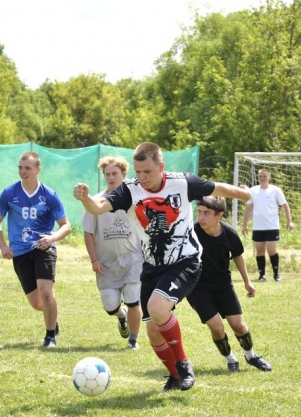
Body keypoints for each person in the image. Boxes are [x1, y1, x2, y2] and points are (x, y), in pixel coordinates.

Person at [74, 142, 251, 392]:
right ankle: (175, 376)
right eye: (138, 171)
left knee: (158, 309)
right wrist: (85, 199)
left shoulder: (182, 183)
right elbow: (99, 207)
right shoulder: (129, 190)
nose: (142, 178)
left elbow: (218, 187)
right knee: (153, 333)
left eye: (147, 171)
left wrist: (246, 194)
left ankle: (184, 364)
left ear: (161, 166)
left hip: (185, 260)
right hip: (152, 265)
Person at [0, 152, 72, 348]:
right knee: (36, 303)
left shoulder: (49, 195)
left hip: (44, 247)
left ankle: (50, 336)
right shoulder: (9, 193)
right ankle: (52, 318)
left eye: (27, 168)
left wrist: (52, 238)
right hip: (20, 251)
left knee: (45, 291)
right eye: (20, 167)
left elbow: (66, 225)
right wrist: (3, 246)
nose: (23, 171)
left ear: (38, 169)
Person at [187, 196, 273, 373]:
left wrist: (247, 281)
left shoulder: (229, 234)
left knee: (239, 326)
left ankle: (251, 356)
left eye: (207, 213)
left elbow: (238, 256)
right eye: (200, 212)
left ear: (219, 215)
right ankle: (230, 358)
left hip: (223, 285)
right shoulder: (191, 232)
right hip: (197, 287)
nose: (201, 218)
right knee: (217, 328)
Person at [82, 156, 144, 349]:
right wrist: (94, 259)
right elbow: (88, 232)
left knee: (133, 300)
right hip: (107, 262)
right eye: (107, 174)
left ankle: (133, 340)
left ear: (124, 174)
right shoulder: (96, 202)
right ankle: (120, 315)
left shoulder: (136, 198)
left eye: (115, 173)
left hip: (133, 259)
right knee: (110, 306)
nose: (111, 177)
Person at [241, 168, 294, 282]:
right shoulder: (253, 191)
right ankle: (262, 275)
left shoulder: (275, 190)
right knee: (260, 250)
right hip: (258, 227)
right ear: (258, 178)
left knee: (271, 250)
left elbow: (284, 205)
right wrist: (244, 225)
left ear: (269, 177)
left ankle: (276, 274)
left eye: (265, 176)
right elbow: (248, 208)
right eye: (260, 176)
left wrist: (289, 221)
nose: (262, 178)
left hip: (272, 226)